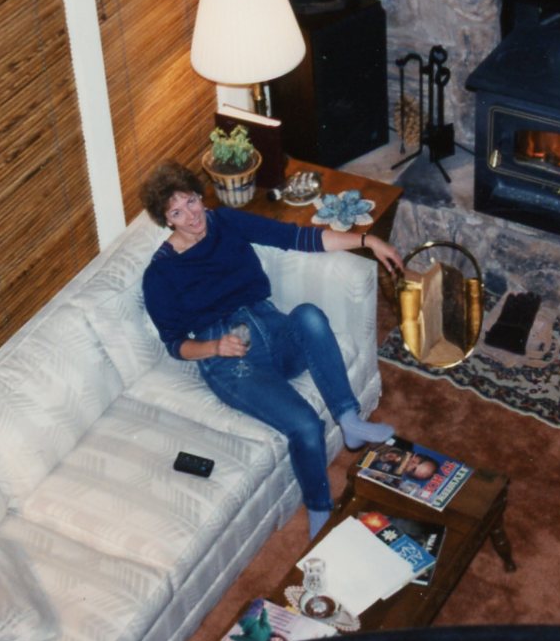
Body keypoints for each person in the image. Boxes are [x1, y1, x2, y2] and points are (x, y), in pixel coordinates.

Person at [140, 160, 404, 540]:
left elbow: (298, 237)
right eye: (177, 212)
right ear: (166, 220)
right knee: (305, 425)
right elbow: (174, 343)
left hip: (271, 327)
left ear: (200, 196)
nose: (192, 216)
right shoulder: (161, 273)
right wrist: (215, 346)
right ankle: (320, 511)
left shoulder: (225, 221)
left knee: (309, 316)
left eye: (191, 202)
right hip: (230, 360)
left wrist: (368, 241)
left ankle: (349, 420)